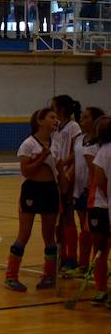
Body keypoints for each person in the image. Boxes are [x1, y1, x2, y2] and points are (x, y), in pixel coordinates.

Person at [5, 108, 62, 292]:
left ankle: (49, 275)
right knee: (24, 234)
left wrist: (64, 191)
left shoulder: (56, 144)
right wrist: (41, 158)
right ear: (40, 120)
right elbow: (26, 171)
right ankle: (11, 276)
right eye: (51, 117)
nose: (55, 120)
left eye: (56, 117)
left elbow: (60, 171)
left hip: (50, 190)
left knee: (49, 235)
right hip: (32, 190)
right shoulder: (28, 144)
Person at [68, 107, 105, 278]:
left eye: (86, 117)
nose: (81, 119)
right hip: (78, 190)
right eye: (81, 116)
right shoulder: (79, 140)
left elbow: (95, 171)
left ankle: (93, 267)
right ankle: (84, 266)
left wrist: (91, 188)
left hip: (92, 192)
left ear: (96, 121)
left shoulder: (100, 144)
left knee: (90, 231)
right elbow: (75, 162)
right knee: (85, 229)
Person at [51, 94, 82, 273]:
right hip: (57, 176)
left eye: (53, 107)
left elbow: (76, 152)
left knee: (68, 217)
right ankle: (60, 255)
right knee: (59, 220)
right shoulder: (57, 127)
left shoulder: (73, 126)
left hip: (68, 176)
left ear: (61, 109)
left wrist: (65, 169)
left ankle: (72, 257)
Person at [87, 116, 111, 306]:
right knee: (100, 251)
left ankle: (102, 290)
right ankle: (102, 289)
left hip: (100, 205)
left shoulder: (103, 151)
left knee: (100, 250)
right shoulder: (100, 150)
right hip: (100, 206)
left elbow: (100, 181)